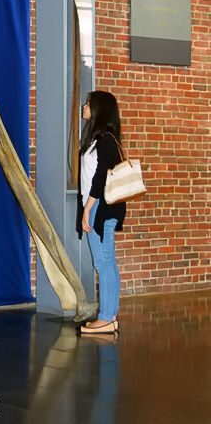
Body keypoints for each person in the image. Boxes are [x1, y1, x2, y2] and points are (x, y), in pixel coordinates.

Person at [76, 90, 127, 335]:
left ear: (99, 110)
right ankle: (111, 316)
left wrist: (87, 209)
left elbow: (99, 178)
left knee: (103, 263)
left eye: (88, 104)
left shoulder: (105, 140)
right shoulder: (102, 139)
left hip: (100, 207)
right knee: (108, 263)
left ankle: (106, 318)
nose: (83, 106)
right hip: (101, 206)